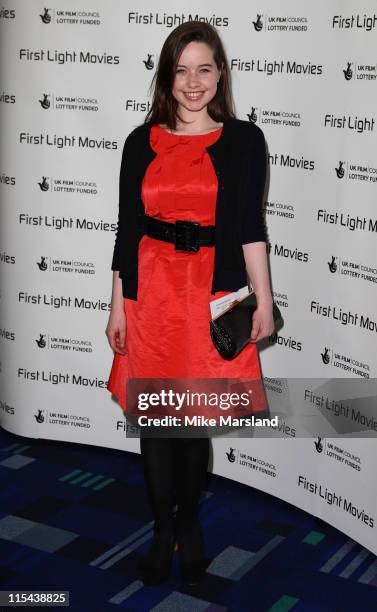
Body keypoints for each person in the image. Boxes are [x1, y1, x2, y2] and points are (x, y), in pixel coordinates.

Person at [105, 21, 275, 587]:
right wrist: (117, 307)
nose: (193, 82)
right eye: (181, 69)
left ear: (220, 73)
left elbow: (251, 228)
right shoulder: (139, 141)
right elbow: (127, 230)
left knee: (193, 418)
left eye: (204, 68)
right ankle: (161, 529)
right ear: (166, 76)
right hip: (150, 292)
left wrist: (264, 304)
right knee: (157, 421)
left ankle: (191, 524)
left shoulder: (245, 141)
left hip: (210, 293)